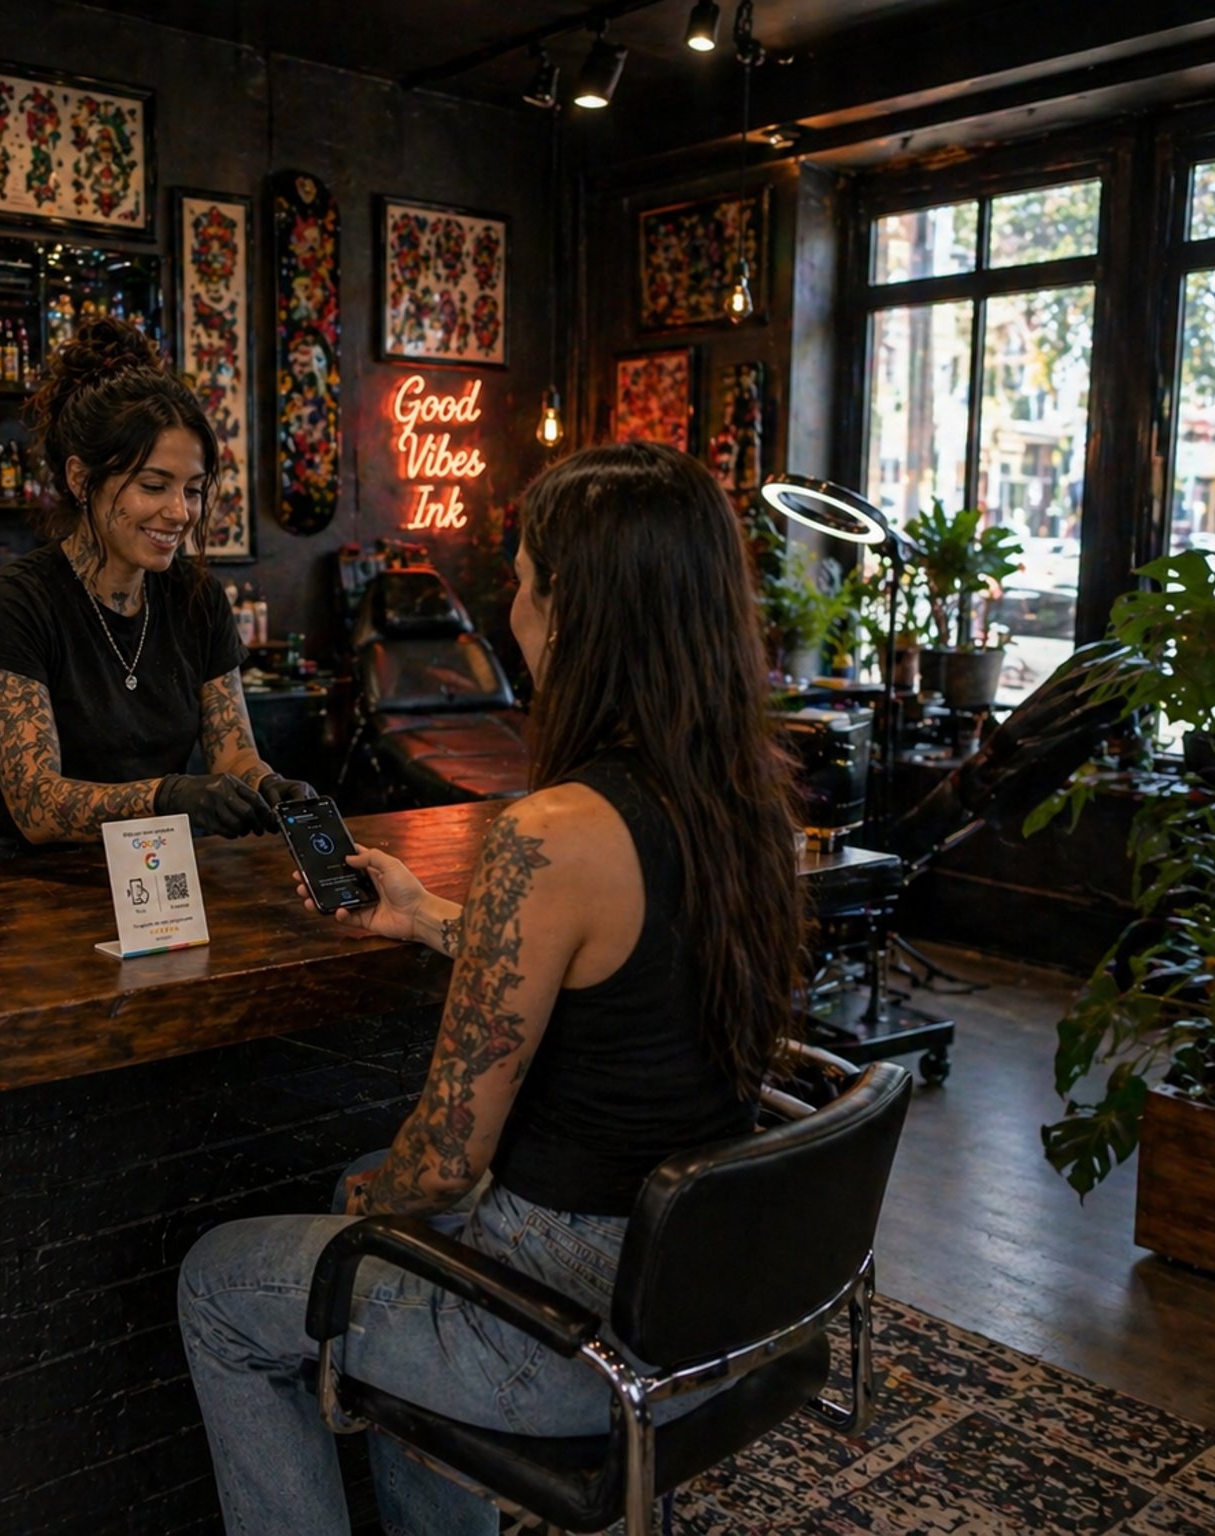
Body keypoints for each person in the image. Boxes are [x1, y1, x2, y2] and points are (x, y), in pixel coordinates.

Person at [178, 441, 803, 1533]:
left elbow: (442, 1159)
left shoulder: (551, 833)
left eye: (519, 582)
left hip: (568, 1333)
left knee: (224, 1281)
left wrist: (377, 1209)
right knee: (359, 1204)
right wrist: (425, 918)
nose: (506, 608)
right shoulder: (748, 807)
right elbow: (618, 975)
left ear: (574, 613)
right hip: (703, 1290)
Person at [0, 317, 312, 862]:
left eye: (192, 490)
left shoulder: (197, 599)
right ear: (79, 478)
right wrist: (171, 795)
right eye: (153, 485)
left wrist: (267, 787)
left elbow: (234, 755)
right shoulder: (15, 605)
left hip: (149, 878)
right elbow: (38, 806)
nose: (179, 512)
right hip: (14, 887)